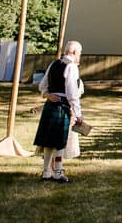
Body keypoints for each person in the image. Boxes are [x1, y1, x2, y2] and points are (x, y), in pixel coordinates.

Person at [34, 40, 84, 183]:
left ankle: (46, 172)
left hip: (50, 105)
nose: (80, 56)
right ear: (74, 52)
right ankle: (57, 172)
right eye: (79, 53)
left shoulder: (53, 64)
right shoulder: (72, 67)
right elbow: (72, 93)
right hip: (62, 106)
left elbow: (42, 85)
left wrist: (47, 95)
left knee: (49, 141)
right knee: (59, 141)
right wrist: (78, 113)